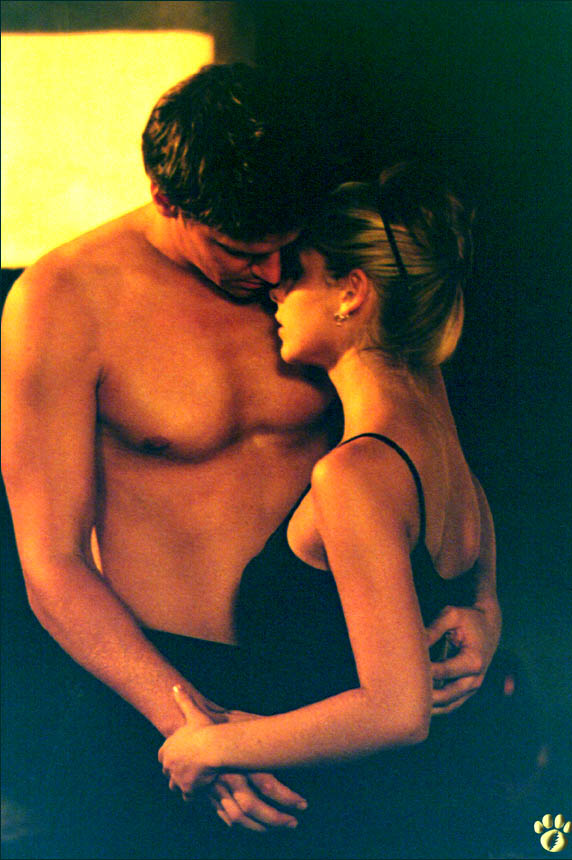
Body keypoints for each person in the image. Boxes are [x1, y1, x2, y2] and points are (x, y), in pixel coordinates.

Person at [1, 62, 500, 858]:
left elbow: (434, 451)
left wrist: (483, 606)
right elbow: (51, 565)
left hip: (339, 690)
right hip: (163, 684)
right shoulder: (63, 299)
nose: (269, 275)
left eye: (282, 251)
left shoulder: (330, 267)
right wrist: (190, 724)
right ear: (167, 198)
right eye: (241, 250)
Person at [157, 161, 502, 858]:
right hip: (421, 806)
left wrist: (210, 746)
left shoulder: (356, 474)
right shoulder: (440, 436)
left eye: (296, 275)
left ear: (351, 291)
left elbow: (398, 711)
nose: (275, 290)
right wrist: (488, 623)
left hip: (347, 823)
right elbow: (478, 594)